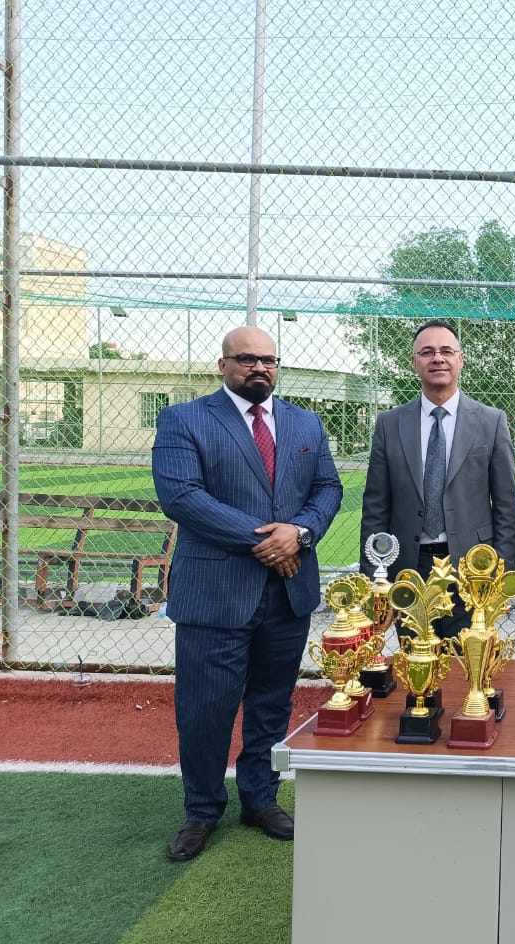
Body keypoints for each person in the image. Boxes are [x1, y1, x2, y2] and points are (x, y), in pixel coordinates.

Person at [152, 325, 344, 862]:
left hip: (287, 593)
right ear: (223, 365)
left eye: (268, 359)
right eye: (246, 359)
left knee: (271, 704)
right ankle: (202, 809)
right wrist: (268, 541)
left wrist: (300, 532)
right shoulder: (184, 419)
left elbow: (328, 487)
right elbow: (181, 496)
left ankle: (260, 799)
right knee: (205, 709)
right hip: (215, 593)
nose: (259, 367)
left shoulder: (305, 423)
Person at [359, 319, 515, 637]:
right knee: (414, 662)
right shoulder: (390, 424)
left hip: (473, 568)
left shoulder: (491, 422)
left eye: (446, 351)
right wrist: (374, 577)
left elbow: (506, 507)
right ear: (414, 362)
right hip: (408, 567)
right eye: (427, 352)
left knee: (467, 661)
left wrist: (500, 574)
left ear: (461, 359)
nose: (438, 358)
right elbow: (376, 506)